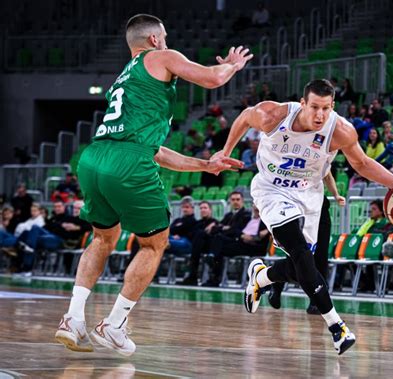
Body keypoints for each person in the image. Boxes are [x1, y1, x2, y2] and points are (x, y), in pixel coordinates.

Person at [55, 14, 249, 356]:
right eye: (166, 36)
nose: (168, 41)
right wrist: (232, 66)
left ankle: (73, 318)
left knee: (103, 238)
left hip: (94, 157)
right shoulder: (160, 57)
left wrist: (206, 164)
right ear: (156, 39)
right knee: (154, 244)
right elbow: (212, 78)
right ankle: (114, 324)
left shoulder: (125, 78)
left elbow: (154, 150)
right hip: (126, 161)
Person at [214, 79, 393, 355]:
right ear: (303, 104)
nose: (320, 115)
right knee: (301, 253)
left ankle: (262, 277)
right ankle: (337, 327)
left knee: (300, 266)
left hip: (310, 196)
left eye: (326, 108)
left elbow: (362, 164)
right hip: (272, 190)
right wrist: (225, 152)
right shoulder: (274, 115)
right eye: (315, 107)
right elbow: (245, 117)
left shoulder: (340, 130)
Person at [267, 171, 346, 314]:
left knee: (321, 257)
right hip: (298, 209)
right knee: (298, 258)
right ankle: (277, 280)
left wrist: (335, 194)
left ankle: (316, 301)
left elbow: (328, 175)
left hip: (320, 209)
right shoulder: (292, 157)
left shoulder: (321, 153)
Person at [205, 204, 269, 286]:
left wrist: (264, 232)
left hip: (253, 246)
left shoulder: (266, 221)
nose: (256, 207)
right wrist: (242, 235)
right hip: (240, 242)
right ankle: (213, 263)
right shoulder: (247, 218)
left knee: (219, 248)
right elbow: (236, 230)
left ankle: (212, 261)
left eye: (257, 205)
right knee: (218, 241)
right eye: (254, 205)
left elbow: (263, 236)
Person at [178, 201, 218, 285]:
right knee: (198, 237)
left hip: (209, 247)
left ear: (210, 210)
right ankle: (192, 276)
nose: (202, 210)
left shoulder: (215, 222)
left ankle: (193, 276)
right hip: (197, 247)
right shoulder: (197, 223)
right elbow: (190, 234)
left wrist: (211, 228)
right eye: (201, 208)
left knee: (199, 235)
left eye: (205, 208)